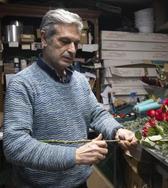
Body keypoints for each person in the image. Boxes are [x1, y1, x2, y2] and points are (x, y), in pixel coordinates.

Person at [3, 9, 137, 188]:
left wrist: (117, 130)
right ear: (44, 39)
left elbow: (97, 114)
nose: (72, 50)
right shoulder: (23, 84)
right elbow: (15, 146)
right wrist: (74, 156)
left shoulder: (80, 81)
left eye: (76, 43)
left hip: (79, 183)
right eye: (64, 41)